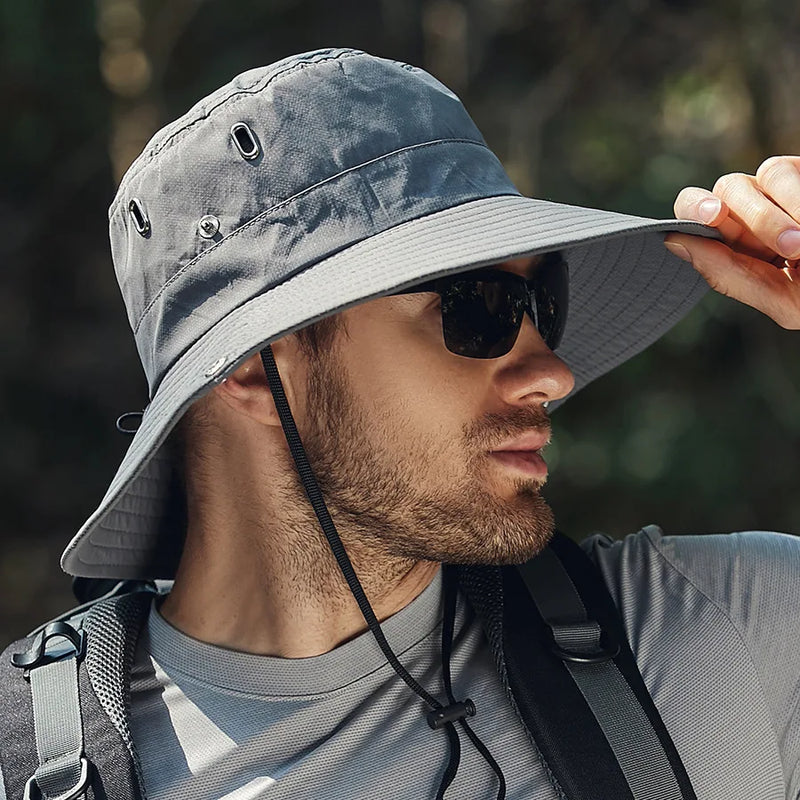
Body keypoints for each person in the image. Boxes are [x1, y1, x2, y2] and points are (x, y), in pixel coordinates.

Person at [1, 47, 798, 800]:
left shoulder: (724, 636)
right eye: (477, 307)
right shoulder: (31, 767)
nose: (552, 374)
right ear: (253, 369)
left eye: (542, 301)